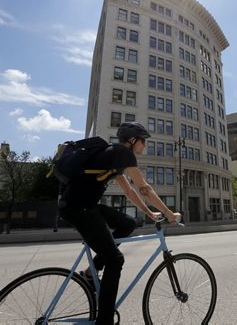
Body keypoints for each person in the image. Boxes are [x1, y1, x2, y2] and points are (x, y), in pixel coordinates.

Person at [58, 122, 180, 325]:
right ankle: (104, 321)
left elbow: (130, 191)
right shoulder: (122, 153)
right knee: (115, 260)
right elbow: (144, 187)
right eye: (143, 140)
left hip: (83, 205)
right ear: (132, 141)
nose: (145, 145)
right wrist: (169, 213)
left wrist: (149, 212)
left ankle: (91, 271)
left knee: (128, 224)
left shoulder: (114, 156)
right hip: (80, 209)